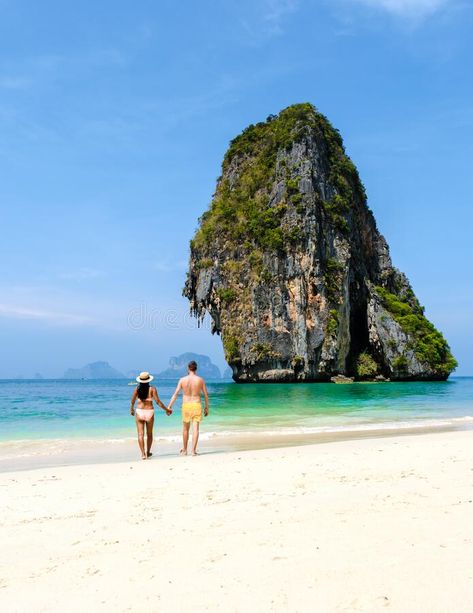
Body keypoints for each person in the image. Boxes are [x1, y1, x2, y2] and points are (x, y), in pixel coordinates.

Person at [168, 360, 209, 456]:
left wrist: (170, 406)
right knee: (196, 429)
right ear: (196, 369)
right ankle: (193, 451)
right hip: (196, 404)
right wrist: (207, 407)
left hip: (186, 406)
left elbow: (175, 394)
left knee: (185, 429)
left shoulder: (182, 380)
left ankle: (185, 450)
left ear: (188, 368)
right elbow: (206, 395)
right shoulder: (200, 380)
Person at [130, 371, 172, 460]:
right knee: (149, 434)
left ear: (140, 380)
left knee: (140, 434)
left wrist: (131, 409)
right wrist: (167, 410)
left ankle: (142, 454)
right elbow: (158, 402)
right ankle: (148, 452)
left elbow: (132, 401)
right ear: (148, 380)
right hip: (149, 412)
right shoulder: (152, 389)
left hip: (139, 412)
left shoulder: (137, 389)